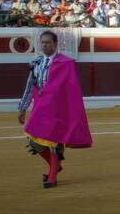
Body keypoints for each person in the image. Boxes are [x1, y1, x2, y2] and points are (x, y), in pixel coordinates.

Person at [18, 30, 92, 188]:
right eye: (42, 43)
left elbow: (71, 90)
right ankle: (56, 166)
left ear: (55, 44)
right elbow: (30, 86)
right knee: (32, 139)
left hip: (58, 109)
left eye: (48, 42)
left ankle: (52, 176)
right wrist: (23, 108)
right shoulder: (36, 63)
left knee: (53, 142)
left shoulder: (66, 63)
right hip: (41, 108)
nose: (44, 45)